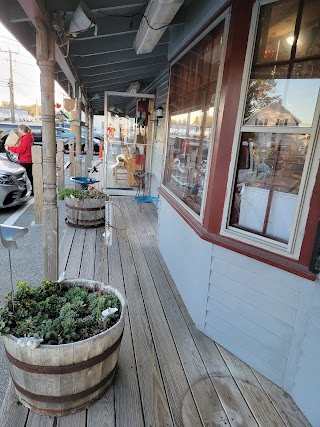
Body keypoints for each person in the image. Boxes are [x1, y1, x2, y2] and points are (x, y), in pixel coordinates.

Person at [6, 124, 34, 195]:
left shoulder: (26, 138)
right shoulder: (29, 136)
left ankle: (24, 192)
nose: (18, 131)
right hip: (29, 159)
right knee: (30, 176)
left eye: (19, 129)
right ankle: (33, 191)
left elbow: (21, 150)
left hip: (24, 160)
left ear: (22, 130)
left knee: (22, 178)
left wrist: (9, 148)